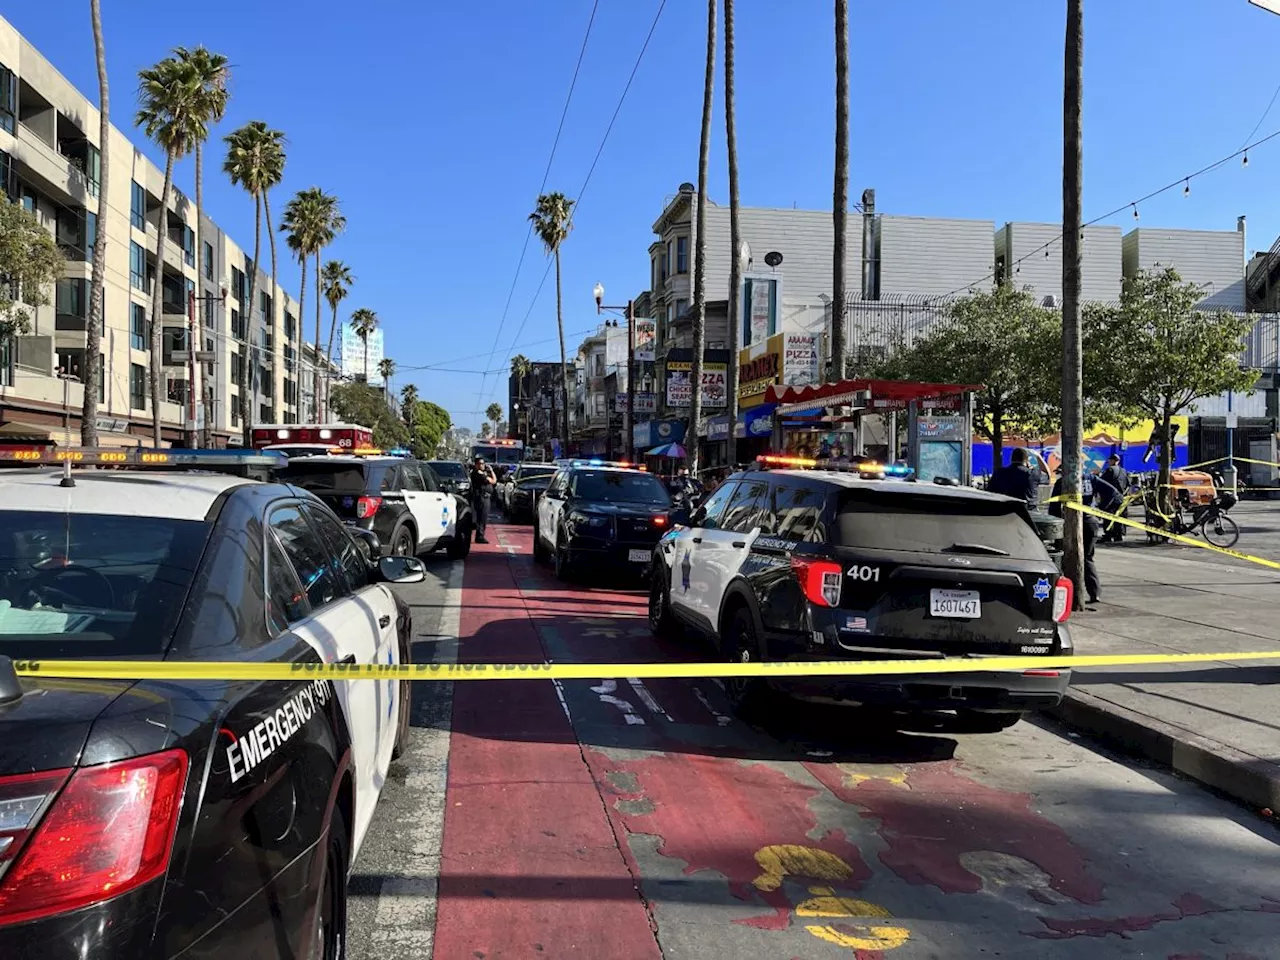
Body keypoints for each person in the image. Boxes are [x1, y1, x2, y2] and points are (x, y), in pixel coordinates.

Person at [1049, 467, 1118, 605]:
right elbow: (1114, 493)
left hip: (1071, 522)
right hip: (1090, 521)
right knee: (1087, 558)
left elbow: (1054, 507)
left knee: (1066, 557)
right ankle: (1094, 592)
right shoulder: (1091, 479)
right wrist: (1102, 507)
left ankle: (1069, 594)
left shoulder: (1062, 482)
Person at [1098, 454, 1131, 542]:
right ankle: (1118, 535)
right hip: (1121, 497)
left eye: (1109, 460)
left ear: (1112, 461)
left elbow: (1101, 482)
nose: (1108, 462)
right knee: (1119, 517)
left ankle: (1108, 535)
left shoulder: (1110, 470)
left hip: (1110, 498)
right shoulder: (1123, 471)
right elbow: (1128, 484)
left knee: (1108, 517)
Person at [469, 455, 497, 544]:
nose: (482, 465)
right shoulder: (477, 474)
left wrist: (490, 471)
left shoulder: (482, 473)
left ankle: (480, 535)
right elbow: (493, 481)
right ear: (476, 465)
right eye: (480, 464)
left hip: (485, 497)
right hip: (481, 497)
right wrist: (491, 472)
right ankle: (479, 536)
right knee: (481, 518)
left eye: (483, 464)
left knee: (483, 518)